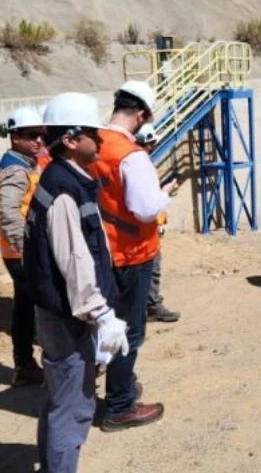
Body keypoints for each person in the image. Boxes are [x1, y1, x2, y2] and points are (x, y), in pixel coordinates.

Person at [22, 92, 129, 473]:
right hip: (70, 318)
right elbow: (75, 261)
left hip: (58, 313)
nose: (99, 140)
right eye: (92, 134)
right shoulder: (64, 189)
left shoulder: (64, 180)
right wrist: (101, 315)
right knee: (73, 407)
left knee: (57, 398)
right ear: (69, 139)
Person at [91, 81, 175, 431]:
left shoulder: (91, 143)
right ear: (141, 115)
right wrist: (164, 194)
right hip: (132, 254)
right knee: (129, 332)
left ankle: (120, 386)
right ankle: (121, 406)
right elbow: (145, 209)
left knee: (106, 326)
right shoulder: (131, 154)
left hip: (101, 252)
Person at [0, 106, 49, 386]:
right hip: (21, 251)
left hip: (17, 250)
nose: (38, 141)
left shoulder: (20, 163)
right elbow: (9, 212)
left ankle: (25, 365)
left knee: (25, 307)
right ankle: (37, 363)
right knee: (42, 306)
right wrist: (25, 250)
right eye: (31, 135)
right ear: (15, 137)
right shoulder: (16, 170)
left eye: (41, 135)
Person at [136, 123, 180, 323]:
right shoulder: (139, 165)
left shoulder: (139, 163)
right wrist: (167, 191)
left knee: (150, 269)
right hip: (142, 228)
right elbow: (149, 199)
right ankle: (150, 307)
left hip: (147, 226)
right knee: (149, 270)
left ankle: (151, 305)